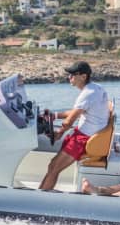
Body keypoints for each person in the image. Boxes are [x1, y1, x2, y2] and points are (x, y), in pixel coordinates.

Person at [38, 61, 110, 191]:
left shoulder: (87, 94)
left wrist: (59, 133)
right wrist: (55, 115)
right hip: (85, 133)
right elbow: (77, 111)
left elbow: (70, 121)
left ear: (83, 76)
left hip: (84, 138)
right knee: (53, 166)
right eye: (69, 74)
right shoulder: (95, 88)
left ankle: (39, 198)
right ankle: (42, 192)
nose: (69, 77)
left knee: (54, 168)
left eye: (73, 74)